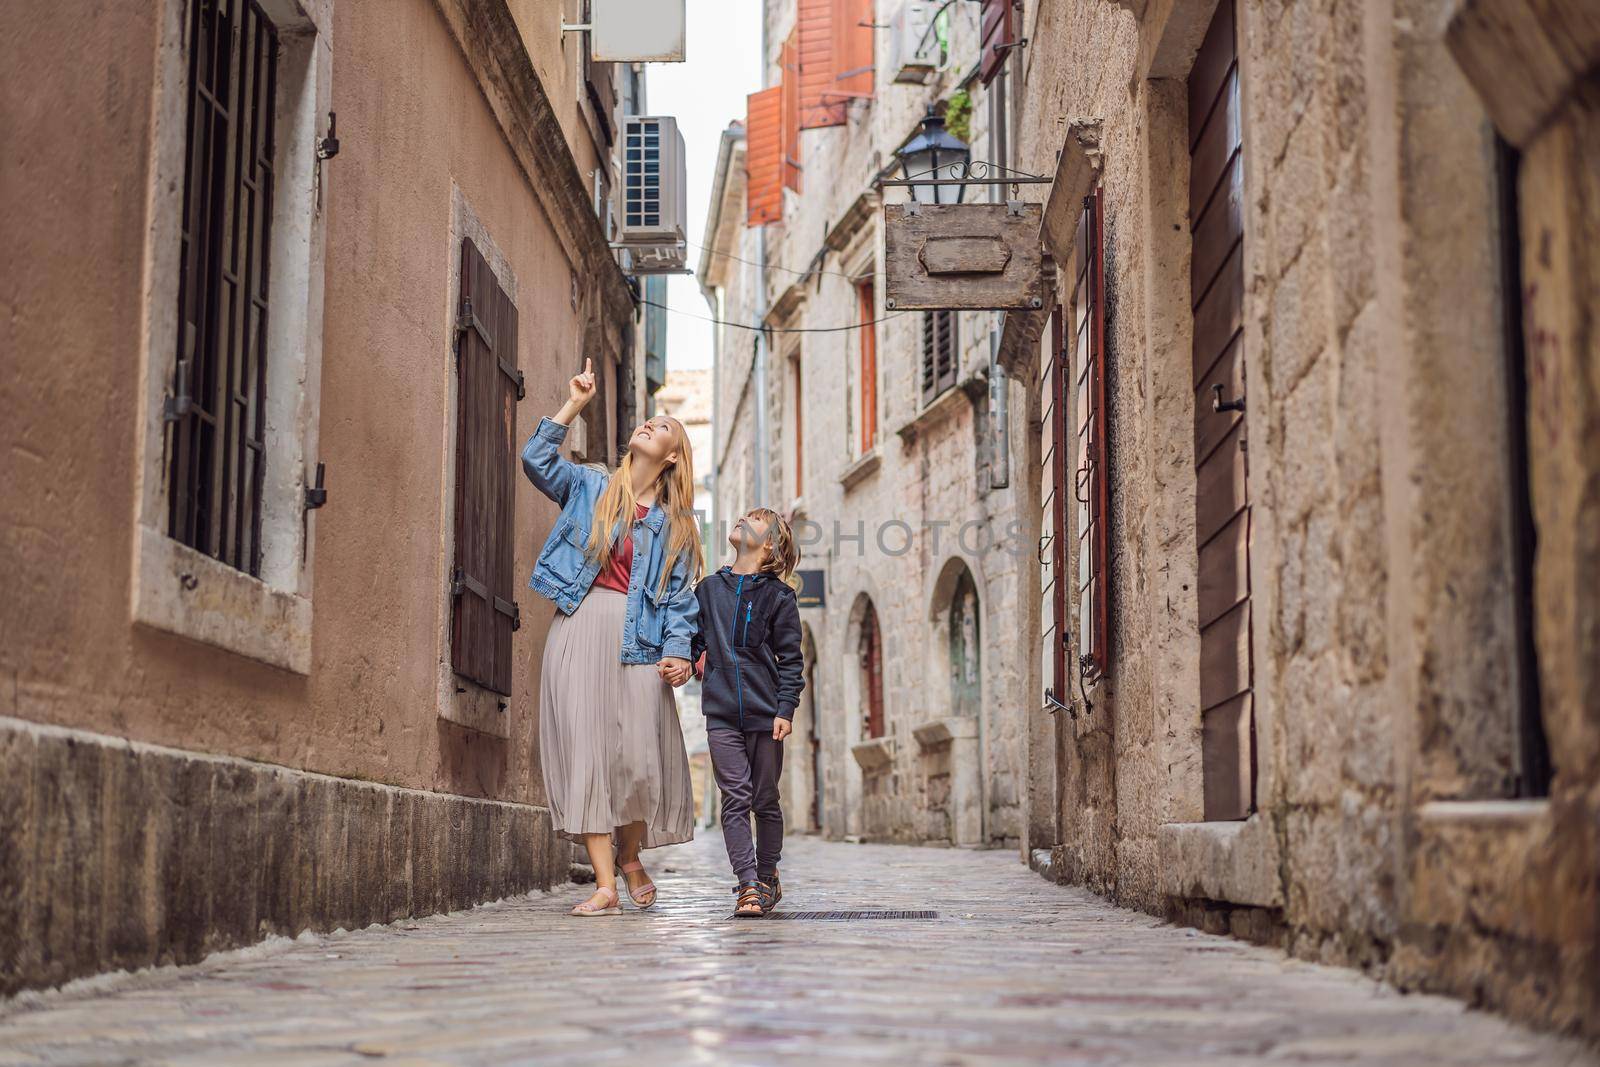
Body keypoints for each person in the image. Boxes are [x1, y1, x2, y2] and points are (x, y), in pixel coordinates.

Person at [521, 358, 701, 917]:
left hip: (641, 642)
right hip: (580, 628)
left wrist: (678, 654)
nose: (650, 424)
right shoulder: (591, 483)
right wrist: (573, 403)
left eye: (664, 427)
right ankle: (605, 885)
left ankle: (630, 856)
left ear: (672, 456)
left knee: (637, 761)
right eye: (649, 420)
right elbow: (535, 460)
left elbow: (679, 600)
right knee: (588, 754)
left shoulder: (676, 526)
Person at [687, 508, 804, 918]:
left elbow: (791, 660)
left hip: (765, 712)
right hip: (720, 713)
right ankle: (747, 885)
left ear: (769, 543)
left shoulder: (779, 597)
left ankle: (768, 874)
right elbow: (694, 642)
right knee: (734, 797)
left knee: (765, 799)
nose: (740, 520)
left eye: (754, 520)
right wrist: (686, 662)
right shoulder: (708, 590)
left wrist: (785, 709)